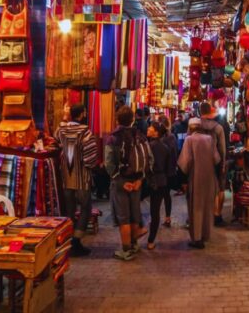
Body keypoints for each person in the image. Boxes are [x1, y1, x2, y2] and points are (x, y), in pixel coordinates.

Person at [105, 105, 153, 261]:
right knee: (134, 214)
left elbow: (109, 163)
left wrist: (119, 180)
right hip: (137, 181)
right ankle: (133, 244)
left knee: (123, 217)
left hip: (121, 182)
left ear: (117, 119)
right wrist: (140, 179)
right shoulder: (140, 136)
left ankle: (126, 250)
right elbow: (149, 159)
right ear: (133, 119)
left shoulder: (113, 138)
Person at [55, 104, 98, 257]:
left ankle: (68, 239)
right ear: (81, 115)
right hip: (82, 177)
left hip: (66, 176)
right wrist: (90, 166)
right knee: (85, 208)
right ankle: (76, 241)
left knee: (69, 210)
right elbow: (91, 155)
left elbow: (56, 142)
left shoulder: (61, 130)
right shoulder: (85, 132)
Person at [178, 118, 221, 249]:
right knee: (207, 206)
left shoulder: (189, 140)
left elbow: (185, 162)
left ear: (190, 128)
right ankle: (205, 234)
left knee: (196, 208)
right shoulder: (209, 139)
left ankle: (197, 238)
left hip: (195, 178)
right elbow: (216, 159)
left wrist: (183, 180)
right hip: (209, 178)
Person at [146, 122, 177, 249]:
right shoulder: (165, 148)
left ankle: (138, 232)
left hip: (148, 181)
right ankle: (151, 241)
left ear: (156, 133)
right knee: (155, 211)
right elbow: (169, 169)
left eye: (151, 128)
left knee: (140, 207)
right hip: (161, 181)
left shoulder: (148, 147)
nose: (148, 128)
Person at [197, 102, 227, 226]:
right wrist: (223, 162)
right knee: (219, 187)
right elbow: (222, 148)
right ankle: (217, 214)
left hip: (199, 161)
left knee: (202, 188)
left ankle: (203, 215)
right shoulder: (218, 127)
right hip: (215, 160)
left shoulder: (195, 126)